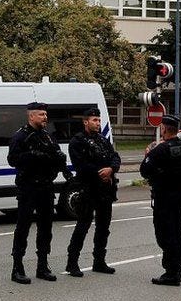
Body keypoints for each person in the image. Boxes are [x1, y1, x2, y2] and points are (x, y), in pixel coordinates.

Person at [7, 102, 67, 284]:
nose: (45, 118)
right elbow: (13, 160)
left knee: (46, 228)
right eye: (41, 115)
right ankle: (17, 268)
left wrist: (57, 161)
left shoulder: (47, 137)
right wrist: (34, 156)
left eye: (45, 115)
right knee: (23, 227)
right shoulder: (21, 136)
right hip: (28, 187)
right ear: (31, 116)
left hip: (46, 187)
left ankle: (43, 265)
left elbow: (57, 155)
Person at [139, 114, 181, 286]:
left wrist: (149, 157)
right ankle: (177, 267)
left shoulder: (161, 150)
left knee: (164, 233)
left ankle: (171, 272)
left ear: (164, 129)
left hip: (164, 197)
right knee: (178, 230)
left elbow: (144, 170)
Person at [65, 107, 121, 277]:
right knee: (83, 226)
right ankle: (72, 263)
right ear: (85, 122)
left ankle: (99, 261)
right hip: (88, 189)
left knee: (104, 227)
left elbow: (115, 157)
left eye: (98, 120)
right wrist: (101, 173)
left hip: (105, 190)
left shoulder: (103, 140)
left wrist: (111, 169)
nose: (97, 123)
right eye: (94, 120)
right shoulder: (77, 141)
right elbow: (81, 165)